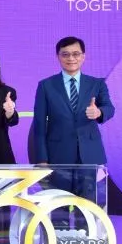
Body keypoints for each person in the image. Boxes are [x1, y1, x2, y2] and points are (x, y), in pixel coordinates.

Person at [34, 36, 115, 201]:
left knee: (87, 207)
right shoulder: (46, 86)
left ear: (83, 56)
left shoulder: (96, 84)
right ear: (58, 57)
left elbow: (109, 108)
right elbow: (39, 125)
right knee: (58, 205)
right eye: (65, 54)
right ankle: (59, 228)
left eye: (76, 54)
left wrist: (99, 112)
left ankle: (84, 228)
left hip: (90, 156)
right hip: (58, 156)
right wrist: (42, 159)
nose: (71, 58)